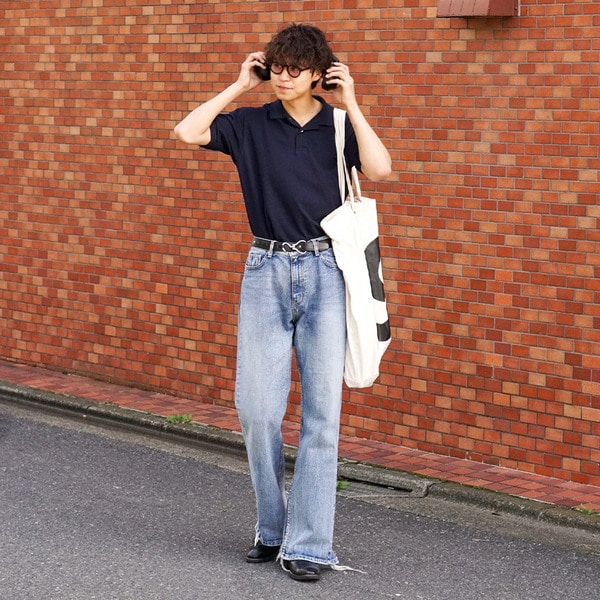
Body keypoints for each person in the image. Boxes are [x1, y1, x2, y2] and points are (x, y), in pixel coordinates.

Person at [174, 23, 391, 582]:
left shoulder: (337, 125)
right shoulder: (251, 123)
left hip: (326, 271)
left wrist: (352, 104)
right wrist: (238, 86)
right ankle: (273, 527)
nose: (284, 76)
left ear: (319, 73)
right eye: (277, 66)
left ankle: (309, 545)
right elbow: (188, 131)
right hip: (265, 268)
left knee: (322, 416)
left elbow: (380, 169)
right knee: (257, 410)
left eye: (296, 68)